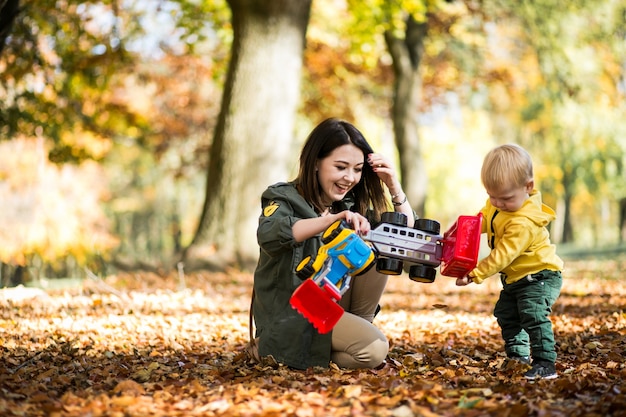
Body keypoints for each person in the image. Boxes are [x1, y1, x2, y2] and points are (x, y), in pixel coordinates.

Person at [251, 118, 416, 370]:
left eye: (358, 169)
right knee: (374, 350)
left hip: (329, 307)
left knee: (378, 243)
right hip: (293, 314)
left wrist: (394, 186)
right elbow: (271, 233)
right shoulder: (283, 197)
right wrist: (331, 221)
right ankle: (280, 349)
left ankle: (354, 333)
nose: (350, 178)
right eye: (340, 167)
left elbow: (404, 239)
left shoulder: (349, 207)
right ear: (316, 162)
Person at [456, 143, 564, 380]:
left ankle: (546, 362)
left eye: (504, 198)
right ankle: (518, 357)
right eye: (490, 196)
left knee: (533, 314)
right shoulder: (499, 205)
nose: (497, 203)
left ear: (528, 187)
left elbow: (502, 255)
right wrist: (465, 229)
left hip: (540, 275)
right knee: (506, 313)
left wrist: (475, 273)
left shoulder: (523, 221)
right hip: (516, 278)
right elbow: (486, 217)